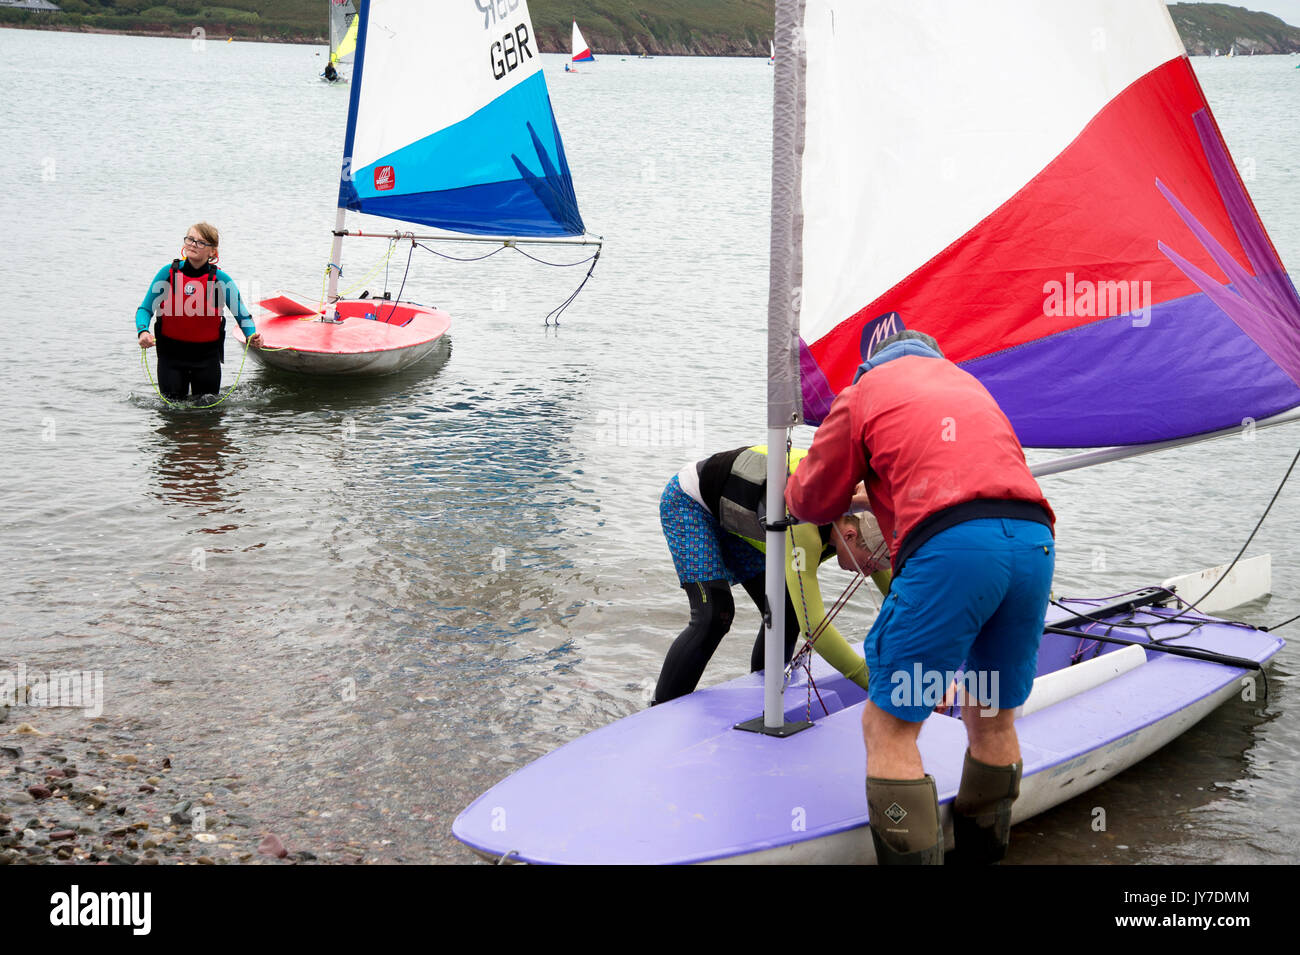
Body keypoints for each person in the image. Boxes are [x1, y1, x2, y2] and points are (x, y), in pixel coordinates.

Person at [785, 330, 1055, 865]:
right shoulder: (968, 384)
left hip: (954, 549)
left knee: (889, 725)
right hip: (1032, 540)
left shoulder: (863, 392)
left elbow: (814, 500)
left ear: (872, 362)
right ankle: (982, 854)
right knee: (993, 712)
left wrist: (807, 494)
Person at [653, 445, 892, 705]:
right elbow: (815, 629)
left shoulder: (864, 519)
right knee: (714, 615)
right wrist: (873, 683)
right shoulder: (803, 525)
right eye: (869, 566)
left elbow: (901, 597)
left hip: (747, 517)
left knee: (786, 612)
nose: (868, 574)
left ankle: (763, 695)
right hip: (693, 502)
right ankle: (660, 707)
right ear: (849, 536)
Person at [136, 223, 261, 402]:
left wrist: (251, 335)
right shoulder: (168, 273)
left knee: (208, 417)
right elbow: (145, 309)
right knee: (171, 415)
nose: (193, 244)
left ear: (213, 252)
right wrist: (143, 331)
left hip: (206, 359)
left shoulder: (220, 279)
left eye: (201, 242)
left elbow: (243, 316)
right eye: (190, 239)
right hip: (171, 357)